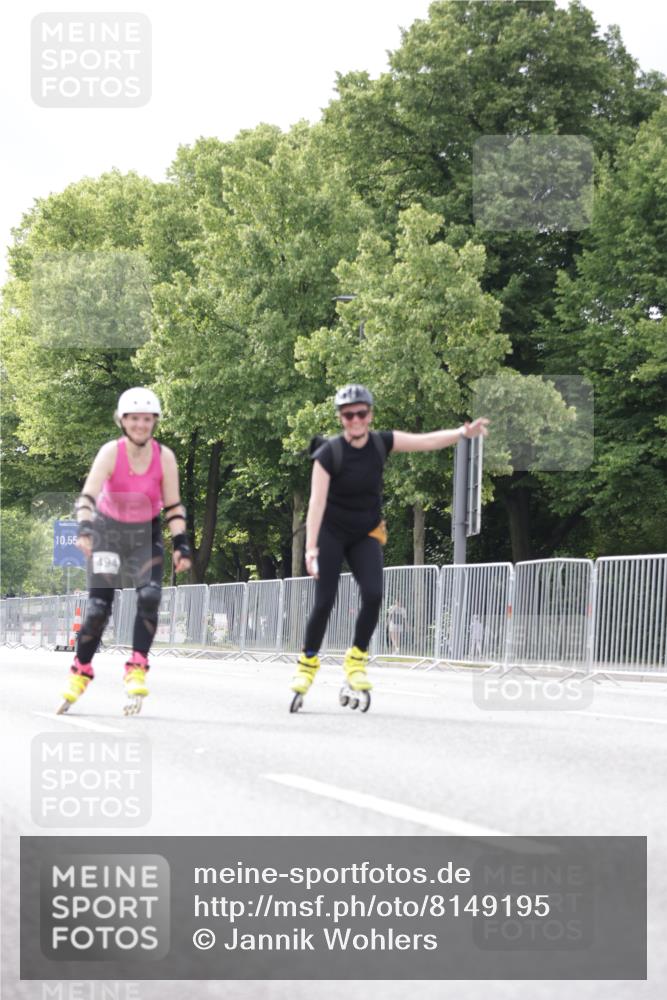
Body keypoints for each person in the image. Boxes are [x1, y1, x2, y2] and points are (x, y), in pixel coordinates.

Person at [290, 383, 489, 708]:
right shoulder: (329, 454)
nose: (355, 419)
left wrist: (462, 433)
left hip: (366, 532)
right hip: (331, 533)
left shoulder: (382, 442)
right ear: (341, 418)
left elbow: (425, 442)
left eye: (361, 413)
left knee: (373, 594)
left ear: (369, 415)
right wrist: (311, 549)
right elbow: (315, 503)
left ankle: (355, 660)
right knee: (325, 600)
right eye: (348, 414)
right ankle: (307, 666)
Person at [58, 387, 192, 713]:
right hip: (107, 533)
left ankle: (137, 666)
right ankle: (81, 669)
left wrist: (182, 544)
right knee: (97, 611)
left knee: (150, 596)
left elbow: (173, 505)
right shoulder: (110, 453)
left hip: (145, 535)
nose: (140, 425)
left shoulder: (165, 457)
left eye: (147, 419)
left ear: (155, 422)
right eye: (134, 419)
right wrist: (85, 528)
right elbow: (87, 496)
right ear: (122, 420)